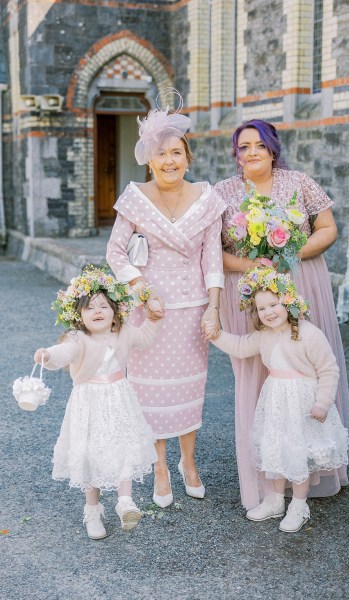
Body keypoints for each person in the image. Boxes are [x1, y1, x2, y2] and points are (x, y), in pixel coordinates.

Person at [214, 119, 349, 510]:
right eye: (244, 146)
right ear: (236, 153)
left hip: (300, 280)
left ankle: (314, 467)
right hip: (247, 291)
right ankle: (268, 477)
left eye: (259, 144)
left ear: (273, 148)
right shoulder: (222, 192)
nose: (252, 152)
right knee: (260, 373)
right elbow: (209, 250)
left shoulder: (299, 182)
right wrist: (249, 265)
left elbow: (327, 229)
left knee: (303, 367)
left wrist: (289, 256)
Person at [106, 101, 225, 509]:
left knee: (190, 390)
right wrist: (142, 289)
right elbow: (116, 253)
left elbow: (211, 258)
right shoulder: (135, 198)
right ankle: (159, 466)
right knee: (151, 396)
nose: (170, 160)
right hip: (150, 312)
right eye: (162, 153)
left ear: (188, 158)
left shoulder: (208, 198)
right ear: (149, 161)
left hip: (192, 310)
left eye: (177, 152)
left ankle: (188, 463)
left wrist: (214, 307)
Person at [212, 267, 349, 532]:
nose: (269, 312)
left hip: (303, 404)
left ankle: (299, 505)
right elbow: (241, 347)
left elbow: (328, 369)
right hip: (276, 401)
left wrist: (322, 402)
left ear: (288, 301)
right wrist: (217, 335)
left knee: (298, 453)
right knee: (276, 450)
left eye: (274, 304)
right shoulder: (264, 335)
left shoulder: (308, 333)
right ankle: (275, 500)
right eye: (262, 309)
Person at [33, 266, 162, 540]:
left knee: (124, 445)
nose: (98, 311)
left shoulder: (124, 332)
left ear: (115, 310)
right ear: (78, 316)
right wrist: (48, 355)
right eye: (90, 308)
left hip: (119, 398)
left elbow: (146, 337)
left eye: (104, 305)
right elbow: (65, 352)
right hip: (89, 402)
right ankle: (93, 510)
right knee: (91, 454)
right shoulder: (78, 338)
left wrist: (154, 318)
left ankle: (124, 501)